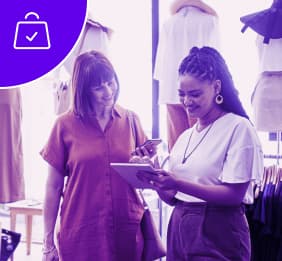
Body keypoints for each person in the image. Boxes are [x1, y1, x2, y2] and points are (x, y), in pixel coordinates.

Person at [138, 46, 264, 260]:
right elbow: (173, 198)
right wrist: (154, 174)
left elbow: (234, 196)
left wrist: (177, 183)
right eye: (182, 94)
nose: (187, 101)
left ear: (216, 88)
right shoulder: (185, 136)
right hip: (179, 229)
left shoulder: (238, 127)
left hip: (218, 230)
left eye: (195, 94)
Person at [40, 50, 155, 261]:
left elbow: (147, 175)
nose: (108, 91)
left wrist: (146, 163)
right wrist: (47, 243)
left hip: (127, 229)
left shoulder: (130, 120)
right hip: (81, 233)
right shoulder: (63, 126)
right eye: (98, 87)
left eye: (111, 82)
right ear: (84, 90)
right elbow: (53, 187)